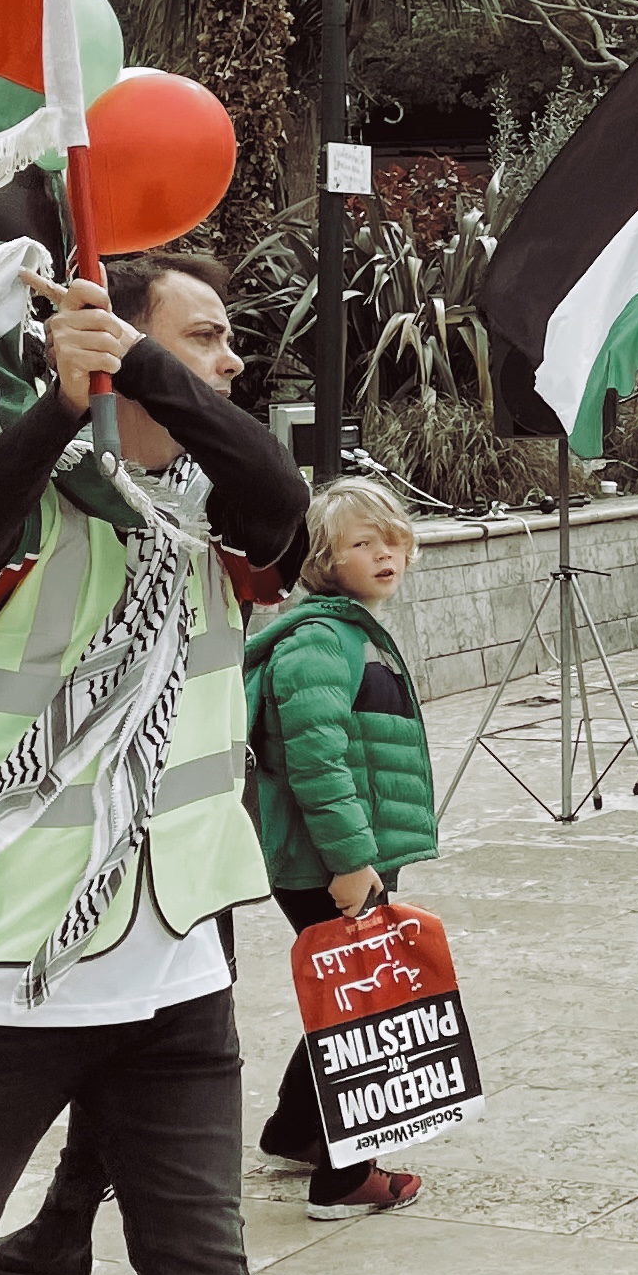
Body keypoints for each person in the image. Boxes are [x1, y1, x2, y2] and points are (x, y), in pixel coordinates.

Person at [0, 254, 306, 1275]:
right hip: (6, 960)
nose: (231, 361)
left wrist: (145, 361)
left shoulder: (220, 512)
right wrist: (63, 403)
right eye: (204, 337)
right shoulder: (30, 494)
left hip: (176, 966)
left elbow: (283, 499)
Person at [243, 476, 441, 1219]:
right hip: (326, 862)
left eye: (393, 538)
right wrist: (352, 864)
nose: (386, 554)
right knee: (367, 1006)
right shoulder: (321, 643)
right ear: (323, 561)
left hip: (344, 857)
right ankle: (344, 1178)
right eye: (363, 543)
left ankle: (295, 1130)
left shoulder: (351, 633)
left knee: (348, 991)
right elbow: (317, 765)